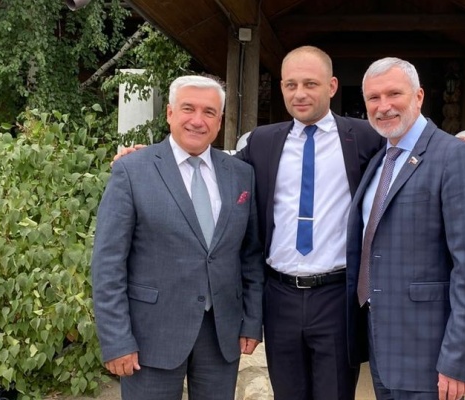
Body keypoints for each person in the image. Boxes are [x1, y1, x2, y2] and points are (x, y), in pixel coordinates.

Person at [112, 46, 385, 400]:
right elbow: (208, 166)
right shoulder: (263, 142)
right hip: (281, 297)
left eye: (310, 84)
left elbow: (402, 162)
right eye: (291, 85)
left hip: (335, 295)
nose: (299, 94)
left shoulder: (365, 137)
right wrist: (145, 159)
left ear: (332, 86)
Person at [91, 75, 264, 400]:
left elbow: (250, 256)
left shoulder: (241, 174)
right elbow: (108, 265)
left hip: (221, 335)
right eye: (188, 108)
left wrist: (252, 321)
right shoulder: (132, 170)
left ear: (219, 121)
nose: (198, 120)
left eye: (209, 112)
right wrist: (116, 340)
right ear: (170, 113)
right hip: (150, 336)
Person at [345, 57, 465, 400]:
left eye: (394, 94)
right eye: (373, 98)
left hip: (430, 352)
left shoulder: (455, 156)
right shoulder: (379, 161)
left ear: (419, 96)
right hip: (382, 344)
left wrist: (458, 359)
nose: (383, 106)